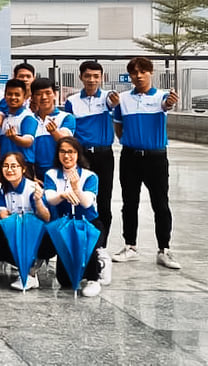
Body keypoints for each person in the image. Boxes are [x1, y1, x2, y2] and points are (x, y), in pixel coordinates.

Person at [111, 56, 181, 270]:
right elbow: (118, 126)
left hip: (155, 158)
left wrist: (170, 102)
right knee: (129, 203)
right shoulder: (123, 99)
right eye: (134, 72)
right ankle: (130, 246)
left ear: (151, 73)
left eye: (143, 71)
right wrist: (129, 141)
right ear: (130, 75)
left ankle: (164, 249)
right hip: (130, 157)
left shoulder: (161, 96)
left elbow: (167, 104)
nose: (139, 76)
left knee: (160, 204)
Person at [64, 60, 116, 281]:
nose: (92, 80)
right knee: (78, 198)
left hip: (104, 155)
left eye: (96, 76)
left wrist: (113, 102)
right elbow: (69, 130)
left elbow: (115, 107)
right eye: (88, 76)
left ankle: (100, 247)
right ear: (81, 77)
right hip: (82, 155)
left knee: (103, 201)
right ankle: (77, 242)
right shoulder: (72, 101)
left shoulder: (109, 99)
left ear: (102, 78)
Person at [43, 137, 104, 297]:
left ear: (78, 154)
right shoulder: (51, 174)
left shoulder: (89, 176)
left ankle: (94, 277)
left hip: (88, 222)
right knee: (65, 280)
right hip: (65, 224)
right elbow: (50, 198)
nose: (67, 156)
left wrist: (76, 188)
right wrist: (62, 195)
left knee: (87, 241)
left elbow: (87, 203)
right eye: (62, 151)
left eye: (71, 152)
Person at [0, 151, 52, 291]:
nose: (9, 170)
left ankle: (31, 274)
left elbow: (46, 217)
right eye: (5, 166)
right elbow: (3, 215)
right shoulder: (2, 188)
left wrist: (38, 201)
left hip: (35, 233)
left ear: (23, 169)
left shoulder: (32, 188)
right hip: (15, 230)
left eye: (14, 166)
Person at [0, 79, 38, 182]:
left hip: (23, 166)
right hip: (4, 165)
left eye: (17, 95)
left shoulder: (28, 117)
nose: (13, 97)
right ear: (5, 96)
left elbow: (28, 141)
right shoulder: (4, 118)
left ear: (24, 97)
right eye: (10, 94)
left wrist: (14, 138)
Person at [31, 78, 75, 178]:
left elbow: (65, 141)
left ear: (55, 94)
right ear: (32, 97)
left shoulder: (66, 117)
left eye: (48, 93)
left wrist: (54, 132)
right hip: (36, 174)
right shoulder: (28, 119)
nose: (44, 97)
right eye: (38, 94)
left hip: (60, 172)